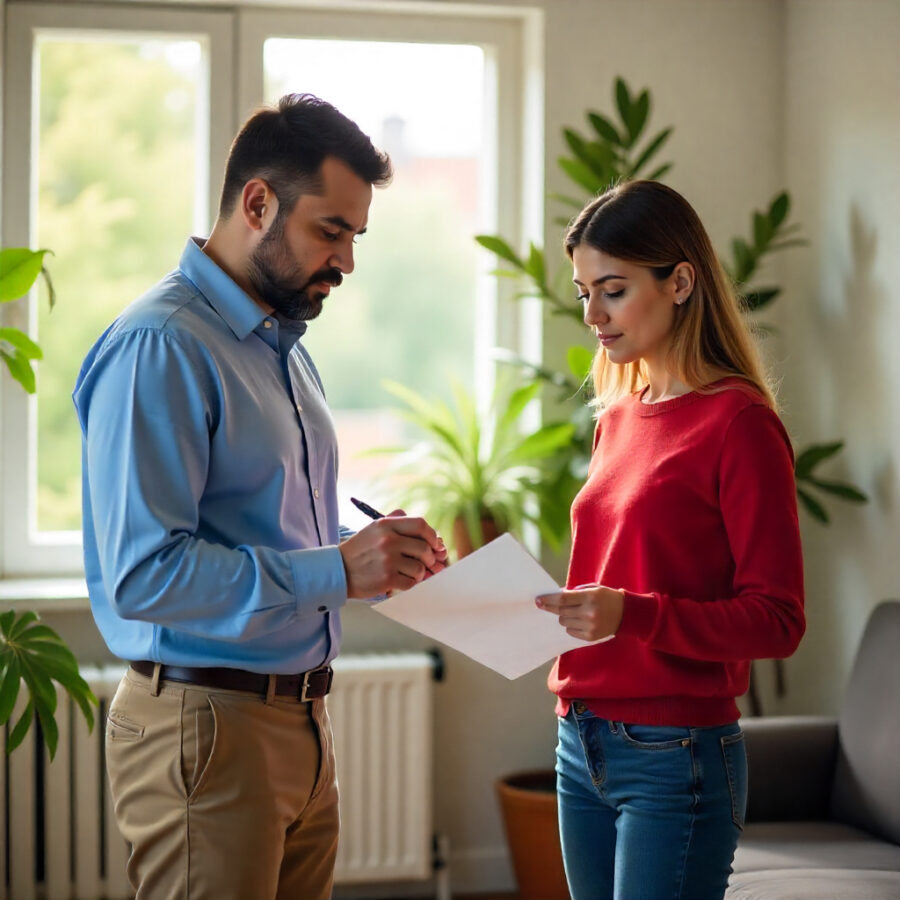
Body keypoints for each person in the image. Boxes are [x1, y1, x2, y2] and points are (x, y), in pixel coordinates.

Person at [73, 93, 447, 900]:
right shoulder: (162, 345)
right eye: (331, 231)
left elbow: (267, 523)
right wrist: (336, 571)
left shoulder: (283, 347)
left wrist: (377, 557)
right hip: (206, 727)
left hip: (299, 722)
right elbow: (145, 574)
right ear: (257, 204)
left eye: (355, 236)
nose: (346, 261)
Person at [535, 180, 805, 900]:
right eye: (584, 292)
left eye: (613, 290)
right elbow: (613, 577)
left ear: (680, 282)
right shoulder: (617, 416)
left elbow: (778, 620)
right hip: (579, 737)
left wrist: (632, 614)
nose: (591, 314)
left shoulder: (740, 424)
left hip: (674, 753)